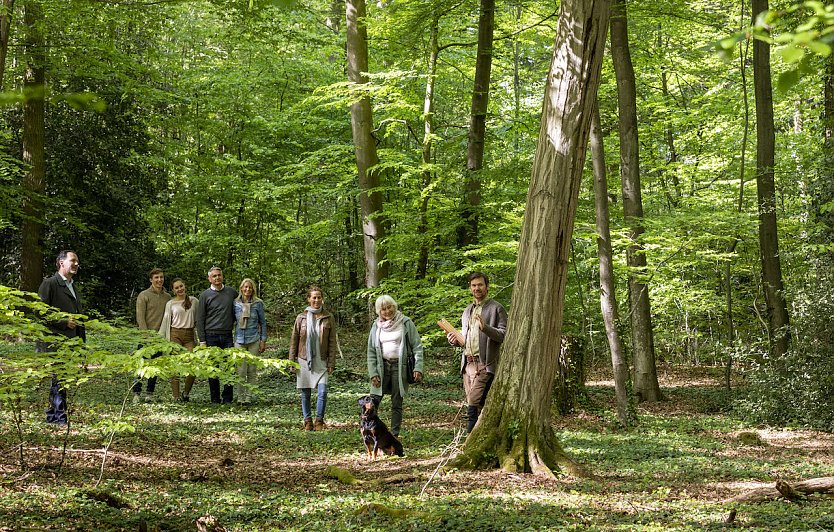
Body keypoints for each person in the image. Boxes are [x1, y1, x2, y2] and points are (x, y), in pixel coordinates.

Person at [446, 272, 507, 432]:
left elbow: (503, 335)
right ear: (470, 288)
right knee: (479, 403)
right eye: (473, 285)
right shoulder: (467, 311)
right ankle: (483, 437)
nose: (477, 288)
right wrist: (455, 341)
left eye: (480, 285)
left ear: (487, 287)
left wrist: (485, 328)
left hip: (485, 364)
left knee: (472, 402)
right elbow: (466, 340)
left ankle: (469, 440)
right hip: (468, 365)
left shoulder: (496, 308)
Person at [37, 250, 85, 426]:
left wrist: (81, 343)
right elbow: (40, 312)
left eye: (77, 261)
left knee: (60, 378)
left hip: (71, 341)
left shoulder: (73, 286)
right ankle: (60, 419)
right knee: (60, 378)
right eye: (73, 260)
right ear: (61, 263)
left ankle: (52, 416)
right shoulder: (49, 283)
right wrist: (63, 321)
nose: (76, 264)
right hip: (54, 340)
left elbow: (79, 317)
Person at [366, 294, 423, 437]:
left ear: (394, 306)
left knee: (397, 402)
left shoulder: (405, 323)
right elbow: (371, 351)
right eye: (383, 309)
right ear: (379, 311)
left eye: (389, 307)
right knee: (373, 401)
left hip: (400, 367)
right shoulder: (376, 326)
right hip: (382, 367)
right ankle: (373, 432)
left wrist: (418, 367)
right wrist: (373, 372)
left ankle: (394, 435)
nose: (387, 311)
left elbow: (417, 347)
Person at [288, 286, 338, 431]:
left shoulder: (329, 317)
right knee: (306, 392)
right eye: (314, 297)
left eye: (319, 297)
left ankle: (319, 421)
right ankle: (308, 420)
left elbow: (332, 342)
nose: (316, 300)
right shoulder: (301, 318)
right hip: (304, 359)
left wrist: (331, 362)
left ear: (322, 299)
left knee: (322, 392)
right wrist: (291, 361)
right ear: (309, 299)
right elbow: (294, 340)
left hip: (321, 360)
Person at [196, 266, 238, 404]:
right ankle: (214, 398)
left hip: (227, 335)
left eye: (219, 275)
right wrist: (202, 340)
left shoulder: (231, 293)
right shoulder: (205, 295)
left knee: (229, 367)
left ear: (222, 276)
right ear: (209, 278)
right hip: (210, 335)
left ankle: (227, 398)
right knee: (213, 369)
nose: (217, 278)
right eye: (214, 276)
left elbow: (240, 308)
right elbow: (200, 319)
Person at [133, 268, 171, 403]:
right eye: (156, 278)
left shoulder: (168, 297)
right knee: (141, 365)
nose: (159, 280)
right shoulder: (144, 295)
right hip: (146, 337)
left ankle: (150, 393)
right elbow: (140, 317)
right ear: (151, 280)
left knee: (155, 366)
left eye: (161, 277)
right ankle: (136, 393)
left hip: (160, 338)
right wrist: (146, 336)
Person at [158, 278, 200, 401]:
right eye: (176, 288)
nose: (180, 289)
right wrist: (160, 338)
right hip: (175, 334)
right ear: (173, 290)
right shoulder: (170, 304)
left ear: (184, 286)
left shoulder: (194, 301)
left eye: (181, 286)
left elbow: (198, 319)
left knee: (193, 365)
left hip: (189, 335)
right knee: (174, 365)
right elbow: (166, 321)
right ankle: (175, 396)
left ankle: (185, 393)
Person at [233, 278, 267, 404]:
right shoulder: (235, 303)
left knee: (251, 369)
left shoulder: (258, 304)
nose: (247, 289)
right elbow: (233, 321)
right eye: (245, 287)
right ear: (241, 288)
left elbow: (263, 322)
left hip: (254, 339)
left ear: (253, 289)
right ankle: (240, 396)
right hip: (239, 340)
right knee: (240, 370)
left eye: (250, 287)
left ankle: (249, 397)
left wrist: (263, 340)